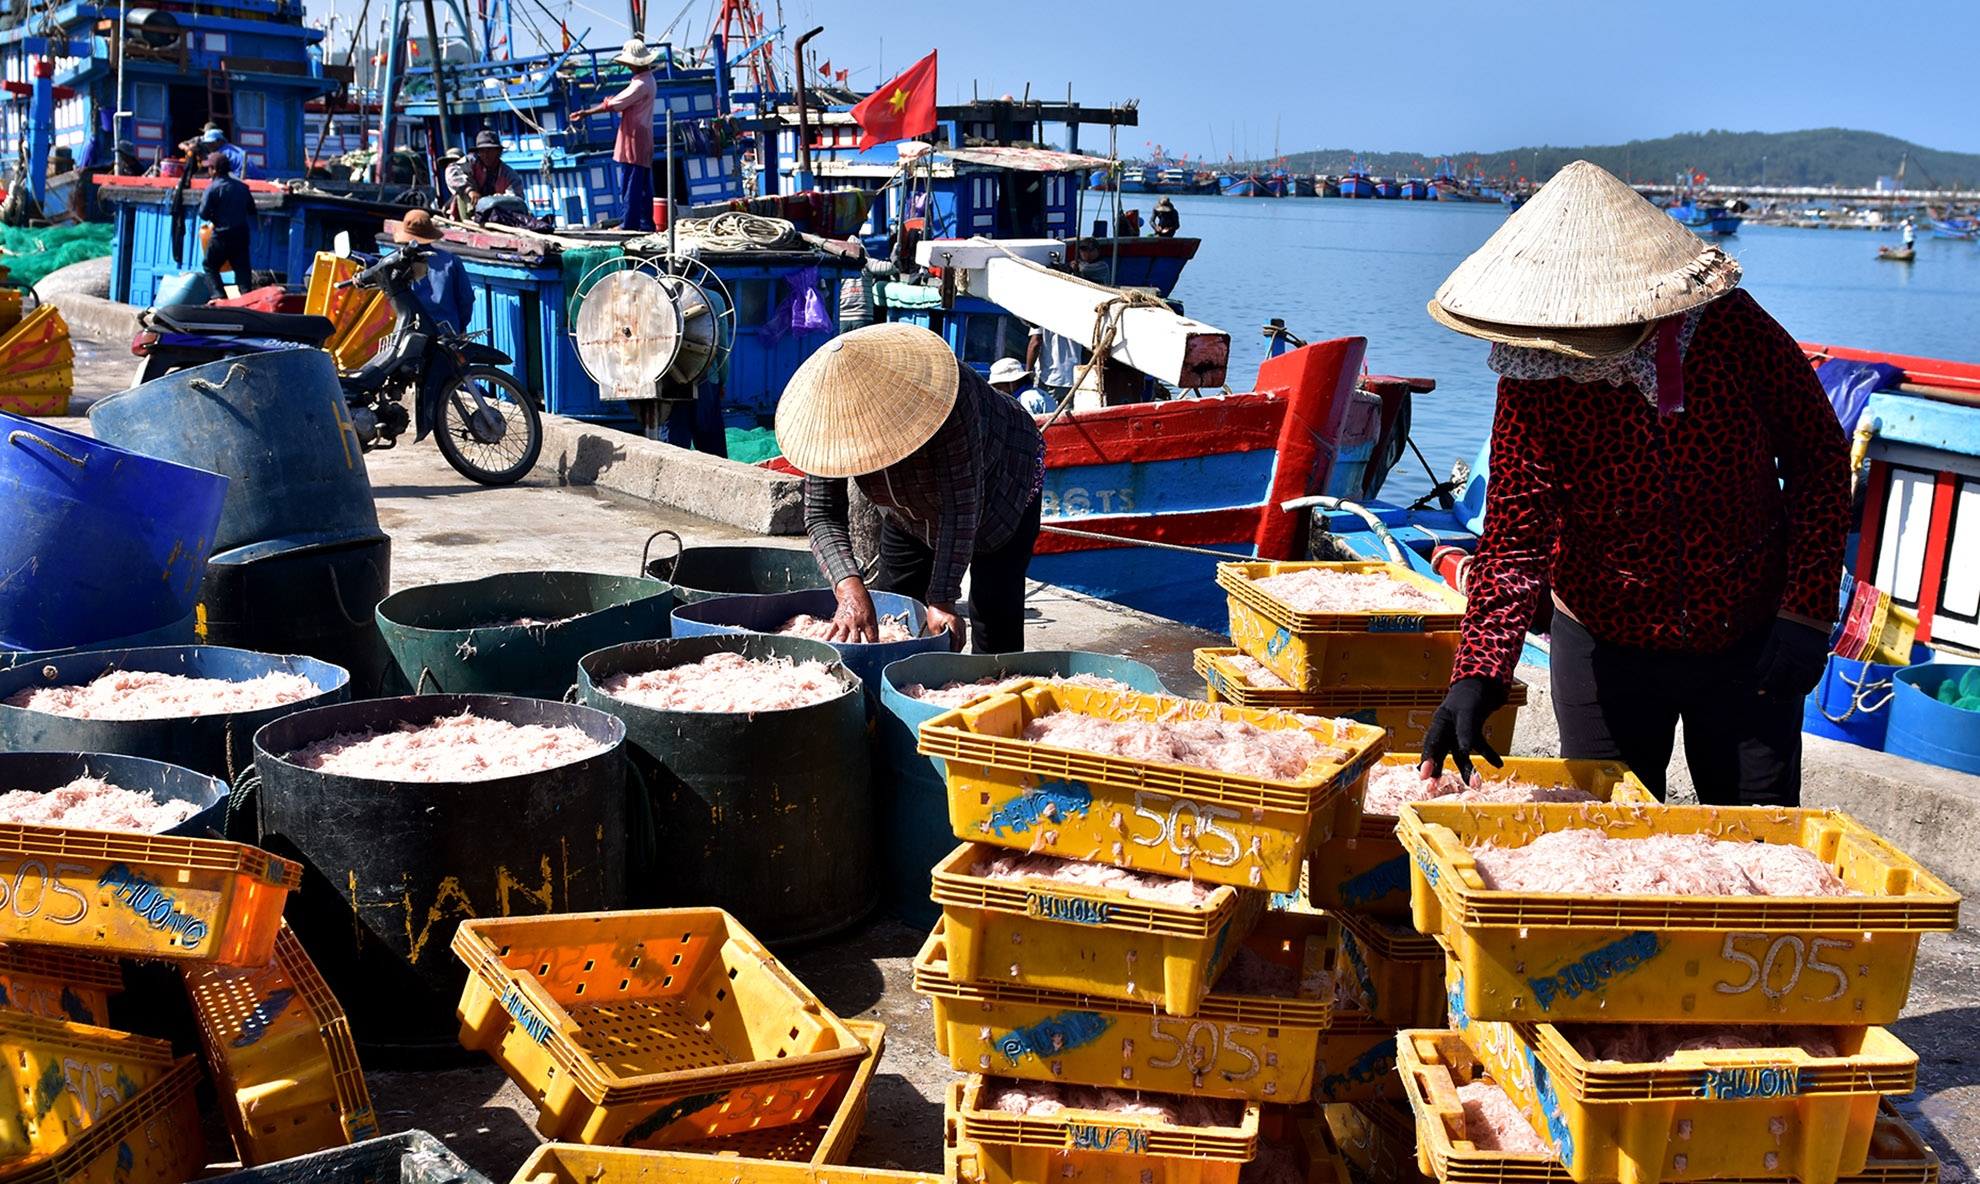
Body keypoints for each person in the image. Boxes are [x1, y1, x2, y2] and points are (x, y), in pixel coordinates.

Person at [1419, 161, 1850, 806]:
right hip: (1602, 631)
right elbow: (1514, 535)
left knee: (1756, 836)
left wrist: (1805, 613)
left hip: (1746, 628)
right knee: (1608, 835)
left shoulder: (1733, 330)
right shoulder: (1534, 372)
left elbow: (1819, 460)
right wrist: (1478, 672)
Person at [780, 323, 1046, 655]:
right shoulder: (822, 418)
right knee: (896, 612)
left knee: (992, 614)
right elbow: (821, 514)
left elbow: (961, 505)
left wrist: (943, 597)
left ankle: (997, 694)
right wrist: (848, 587)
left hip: (1001, 483)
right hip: (907, 509)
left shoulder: (949, 394)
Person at [569, 39, 657, 233]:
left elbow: (615, 104)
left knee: (631, 185)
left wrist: (585, 113)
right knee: (641, 186)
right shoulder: (648, 80)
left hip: (634, 139)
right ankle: (645, 225)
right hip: (643, 137)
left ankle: (629, 225)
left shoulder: (640, 85)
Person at [393, 208, 473, 333]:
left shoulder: (397, 263)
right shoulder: (451, 261)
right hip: (447, 332)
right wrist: (459, 328)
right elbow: (466, 300)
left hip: (411, 336)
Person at [197, 151, 254, 299]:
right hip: (241, 235)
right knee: (242, 270)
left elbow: (203, 214)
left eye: (209, 168)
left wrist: (216, 217)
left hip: (221, 235)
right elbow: (252, 210)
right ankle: (248, 299)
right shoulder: (242, 188)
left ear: (214, 170)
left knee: (210, 265)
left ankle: (219, 296)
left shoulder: (212, 189)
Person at [445, 129, 527, 221]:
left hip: (497, 217)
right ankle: (467, 222)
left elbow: (516, 201)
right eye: (482, 151)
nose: (485, 155)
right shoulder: (472, 162)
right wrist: (469, 190)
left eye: (489, 151)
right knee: (463, 184)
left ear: (498, 152)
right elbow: (451, 170)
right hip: (470, 214)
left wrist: (492, 200)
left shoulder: (509, 175)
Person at [989, 356, 1053, 415]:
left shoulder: (1026, 399)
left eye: (999, 387)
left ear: (1013, 383)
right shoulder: (1036, 393)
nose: (998, 391)